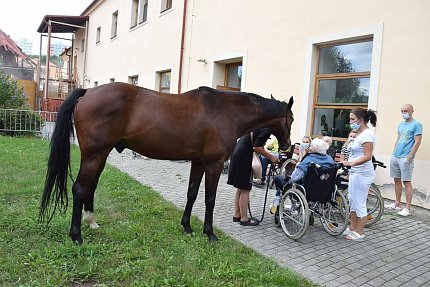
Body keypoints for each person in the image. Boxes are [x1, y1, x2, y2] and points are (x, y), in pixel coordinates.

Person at [228, 128, 280, 226]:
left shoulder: (258, 124)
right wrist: (272, 157)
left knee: (240, 187)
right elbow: (256, 147)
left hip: (237, 153)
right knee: (245, 189)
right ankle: (244, 219)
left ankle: (237, 215)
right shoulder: (267, 129)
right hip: (244, 157)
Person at [272, 138, 335, 212]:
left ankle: (277, 204)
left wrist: (297, 167)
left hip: (306, 191)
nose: (309, 147)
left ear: (313, 149)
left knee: (278, 178)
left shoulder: (309, 159)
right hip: (324, 191)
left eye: (310, 146)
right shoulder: (330, 160)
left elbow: (294, 178)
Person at [342, 108, 377, 241]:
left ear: (361, 120)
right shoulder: (358, 133)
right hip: (355, 173)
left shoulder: (367, 134)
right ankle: (352, 227)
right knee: (352, 199)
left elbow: (367, 156)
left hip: (363, 174)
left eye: (352, 119)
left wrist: (351, 163)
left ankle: (360, 232)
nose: (350, 122)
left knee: (360, 202)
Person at [387, 104, 422, 217]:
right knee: (397, 180)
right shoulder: (401, 125)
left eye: (406, 110)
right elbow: (398, 139)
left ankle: (407, 208)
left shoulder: (417, 124)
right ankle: (397, 204)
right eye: (402, 111)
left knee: (406, 182)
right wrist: (393, 153)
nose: (403, 113)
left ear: (412, 111)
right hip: (396, 156)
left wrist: (410, 156)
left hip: (406, 157)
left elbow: (417, 142)